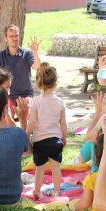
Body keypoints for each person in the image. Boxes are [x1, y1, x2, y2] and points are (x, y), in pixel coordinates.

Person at [0, 25, 41, 130]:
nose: (14, 38)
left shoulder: (27, 54)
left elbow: (38, 67)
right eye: (11, 36)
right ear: (6, 38)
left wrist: (35, 51)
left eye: (16, 35)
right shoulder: (0, 55)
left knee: (29, 115)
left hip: (25, 95)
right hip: (7, 96)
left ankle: (25, 136)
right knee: (5, 120)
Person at [26, 63, 67, 198]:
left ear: (38, 82)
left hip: (40, 142)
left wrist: (26, 135)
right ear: (55, 83)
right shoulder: (59, 102)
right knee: (56, 168)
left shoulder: (35, 101)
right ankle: (56, 191)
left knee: (40, 169)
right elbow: (63, 123)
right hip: (56, 141)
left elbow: (31, 121)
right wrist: (64, 138)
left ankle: (37, 191)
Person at [77, 92, 106, 173]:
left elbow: (88, 136)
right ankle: (78, 163)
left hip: (102, 174)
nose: (102, 114)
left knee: (92, 141)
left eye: (103, 111)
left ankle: (79, 163)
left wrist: (97, 113)